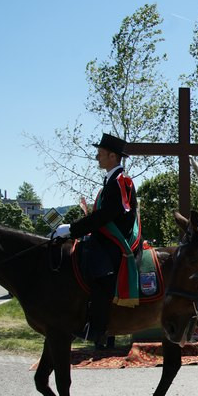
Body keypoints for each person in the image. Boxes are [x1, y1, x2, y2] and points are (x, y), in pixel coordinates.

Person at [52, 132, 140, 341]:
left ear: (112, 156)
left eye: (100, 153)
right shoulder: (111, 181)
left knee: (98, 271)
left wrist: (72, 229)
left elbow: (107, 215)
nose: (97, 157)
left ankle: (97, 327)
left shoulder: (121, 181)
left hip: (116, 241)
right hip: (106, 237)